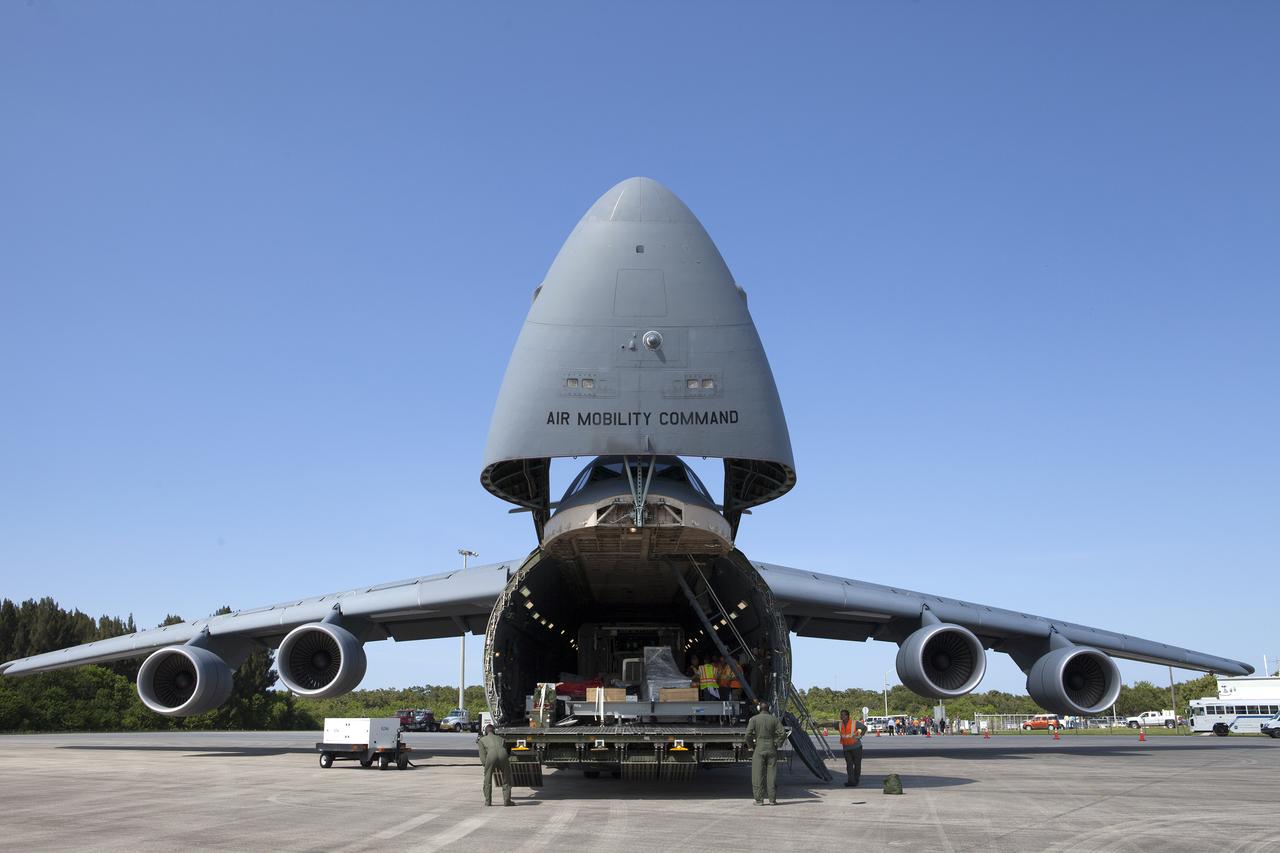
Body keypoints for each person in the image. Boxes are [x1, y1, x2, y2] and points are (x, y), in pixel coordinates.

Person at [745, 702, 788, 805]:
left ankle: (759, 800)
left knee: (757, 774)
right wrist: (777, 744)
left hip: (759, 749)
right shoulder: (774, 719)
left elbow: (747, 735)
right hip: (771, 749)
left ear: (759, 708)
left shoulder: (754, 719)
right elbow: (783, 733)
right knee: (772, 774)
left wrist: (751, 746)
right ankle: (772, 800)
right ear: (769, 709)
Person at [476, 724, 513, 806]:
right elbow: (505, 750)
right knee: (506, 778)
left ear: (486, 731)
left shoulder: (482, 740)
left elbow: (482, 756)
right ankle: (507, 800)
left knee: (487, 779)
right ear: (494, 731)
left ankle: (488, 801)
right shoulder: (501, 739)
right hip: (503, 754)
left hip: (491, 755)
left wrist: (487, 766)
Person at [838, 709, 867, 787]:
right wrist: (819, 725)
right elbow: (830, 724)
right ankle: (851, 781)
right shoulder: (839, 724)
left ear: (848, 716)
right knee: (849, 765)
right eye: (841, 715)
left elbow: (864, 728)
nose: (842, 716)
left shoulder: (854, 723)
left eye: (844, 715)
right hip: (846, 748)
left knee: (857, 764)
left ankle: (856, 780)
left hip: (856, 747)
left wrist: (859, 736)